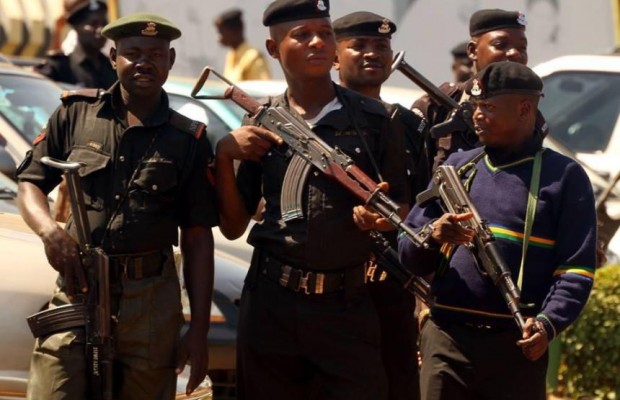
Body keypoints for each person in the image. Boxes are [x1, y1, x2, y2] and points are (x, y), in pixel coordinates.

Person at [17, 13, 217, 399]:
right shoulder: (75, 113)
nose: (145, 62)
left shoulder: (188, 139)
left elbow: (197, 237)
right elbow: (30, 184)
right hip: (79, 289)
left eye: (156, 54)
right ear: (113, 57)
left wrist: (200, 330)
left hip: (151, 302)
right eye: (133, 53)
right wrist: (49, 231)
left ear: (171, 60)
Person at [215, 0, 409, 398]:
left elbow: (405, 211)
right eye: (302, 35)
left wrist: (382, 220)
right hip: (271, 303)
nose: (317, 43)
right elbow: (233, 227)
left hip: (345, 307)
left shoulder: (376, 120)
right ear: (273, 49)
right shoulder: (260, 121)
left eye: (325, 34)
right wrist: (223, 156)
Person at [398, 61, 596, 399]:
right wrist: (434, 234)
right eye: (476, 106)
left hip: (516, 345)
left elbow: (575, 270)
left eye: (488, 107)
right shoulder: (458, 167)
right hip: (447, 338)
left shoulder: (563, 177)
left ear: (524, 109)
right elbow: (406, 251)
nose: (476, 116)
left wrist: (548, 324)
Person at [332, 11, 423, 400]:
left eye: (381, 46)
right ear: (335, 57)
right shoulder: (319, 122)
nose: (372, 53)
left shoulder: (409, 124)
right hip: (334, 288)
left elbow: (423, 210)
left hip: (393, 288)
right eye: (359, 45)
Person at [411, 8, 547, 176]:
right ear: (472, 51)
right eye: (500, 45)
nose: (514, 53)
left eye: (522, 47)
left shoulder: (527, 113)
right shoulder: (438, 104)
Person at [36, 0, 116, 89]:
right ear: (76, 27)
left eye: (104, 24)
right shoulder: (58, 67)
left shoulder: (112, 68)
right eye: (93, 25)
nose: (100, 30)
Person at [214, 8, 271, 82]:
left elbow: (261, 90)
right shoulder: (231, 55)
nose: (218, 37)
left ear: (236, 30)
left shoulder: (253, 57)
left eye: (221, 32)